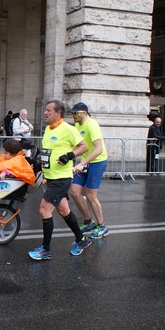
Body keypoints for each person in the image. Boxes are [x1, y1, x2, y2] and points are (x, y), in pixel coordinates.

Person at [28, 100, 90, 261]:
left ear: (58, 113)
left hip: (61, 178)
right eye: (46, 110)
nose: (45, 113)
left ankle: (46, 250)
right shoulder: (48, 129)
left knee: (44, 210)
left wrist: (69, 156)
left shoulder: (68, 129)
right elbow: (49, 151)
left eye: (49, 110)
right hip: (50, 177)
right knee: (63, 210)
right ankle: (82, 239)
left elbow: (84, 147)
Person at [67, 102, 109, 240]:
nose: (73, 115)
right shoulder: (77, 126)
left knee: (91, 195)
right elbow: (77, 146)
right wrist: (66, 156)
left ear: (83, 112)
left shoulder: (92, 124)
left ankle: (102, 227)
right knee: (74, 191)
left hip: (97, 161)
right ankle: (88, 222)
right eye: (72, 113)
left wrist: (82, 163)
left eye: (75, 113)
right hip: (85, 162)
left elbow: (98, 149)